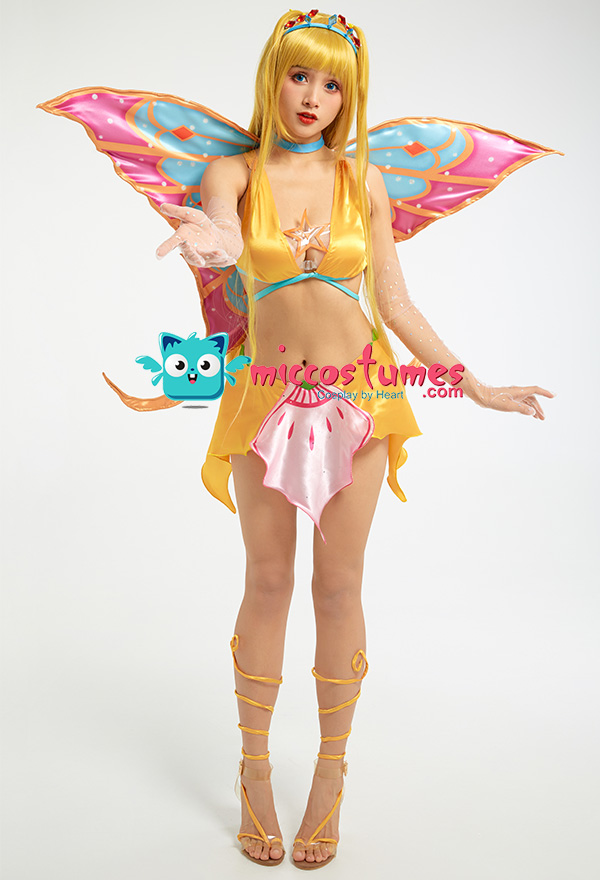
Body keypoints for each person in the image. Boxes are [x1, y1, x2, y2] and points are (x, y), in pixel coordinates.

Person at [152, 9, 554, 869]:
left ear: (350, 97)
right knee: (267, 581)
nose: (313, 97)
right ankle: (255, 768)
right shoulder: (232, 172)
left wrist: (472, 384)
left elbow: (395, 303)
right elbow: (225, 239)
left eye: (333, 84)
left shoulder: (361, 179)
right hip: (263, 398)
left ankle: (331, 773)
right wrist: (208, 241)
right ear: (275, 76)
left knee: (337, 589)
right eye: (300, 75)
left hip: (361, 401)